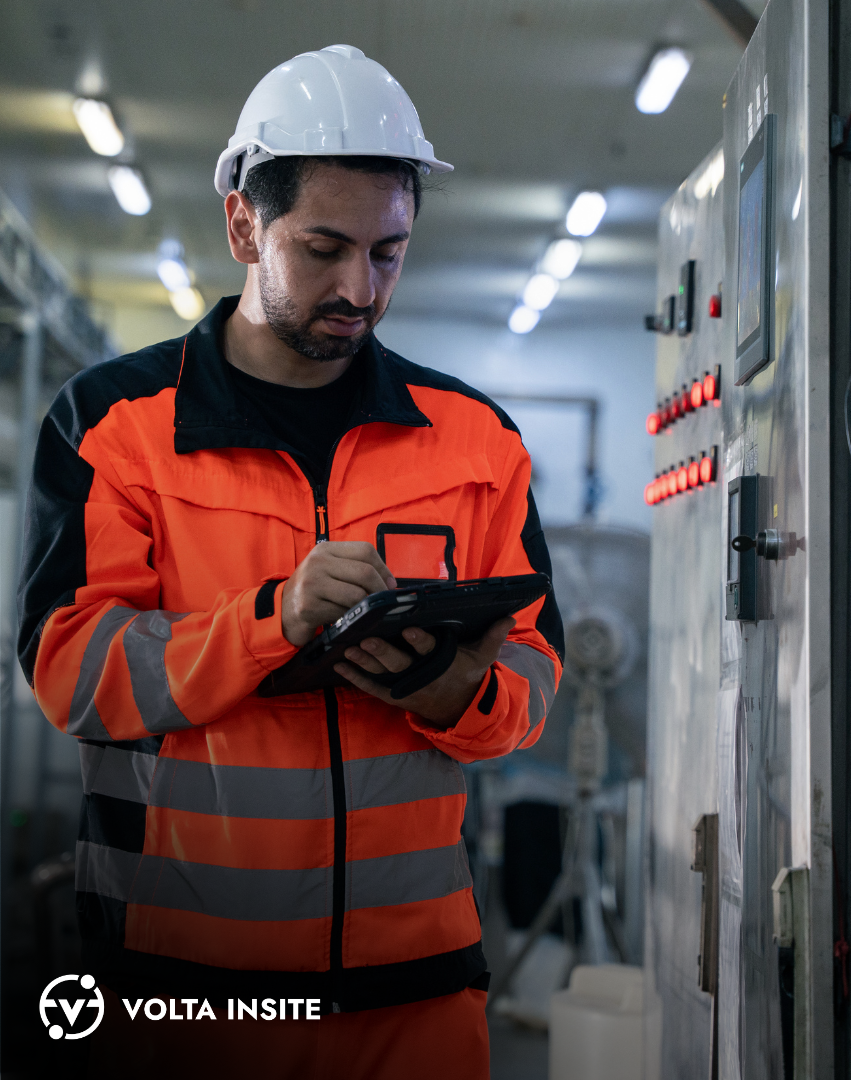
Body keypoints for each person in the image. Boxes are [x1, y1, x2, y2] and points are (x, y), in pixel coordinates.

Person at [17, 45, 563, 1079]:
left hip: (420, 993)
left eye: (389, 252)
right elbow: (70, 670)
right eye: (323, 249)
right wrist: (274, 620)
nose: (359, 287)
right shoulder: (117, 428)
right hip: (191, 993)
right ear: (243, 227)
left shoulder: (475, 442)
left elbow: (536, 671)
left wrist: (461, 695)